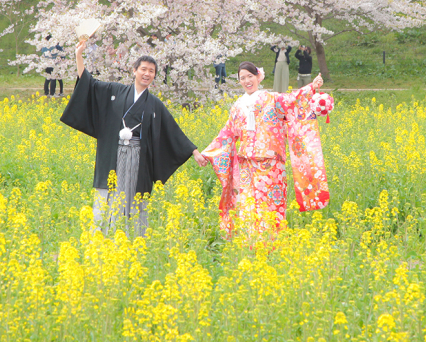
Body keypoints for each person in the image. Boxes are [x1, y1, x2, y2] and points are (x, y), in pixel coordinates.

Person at [61, 38, 207, 236]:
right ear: (134, 71)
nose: (147, 74)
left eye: (151, 71)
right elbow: (89, 84)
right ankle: (102, 237)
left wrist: (194, 151)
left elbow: (172, 130)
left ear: (154, 76)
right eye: (143, 69)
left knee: (135, 197)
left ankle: (133, 238)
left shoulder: (155, 104)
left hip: (139, 160)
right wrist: (79, 55)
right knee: (108, 194)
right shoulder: (115, 91)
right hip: (113, 153)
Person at [200, 61, 330, 234]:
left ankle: (271, 247)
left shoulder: (272, 98)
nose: (247, 81)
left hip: (271, 165)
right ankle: (250, 245)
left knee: (270, 206)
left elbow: (293, 99)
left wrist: (311, 87)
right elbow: (227, 134)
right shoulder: (238, 106)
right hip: (247, 164)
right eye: (242, 78)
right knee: (248, 206)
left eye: (250, 76)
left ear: (258, 77)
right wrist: (207, 153)